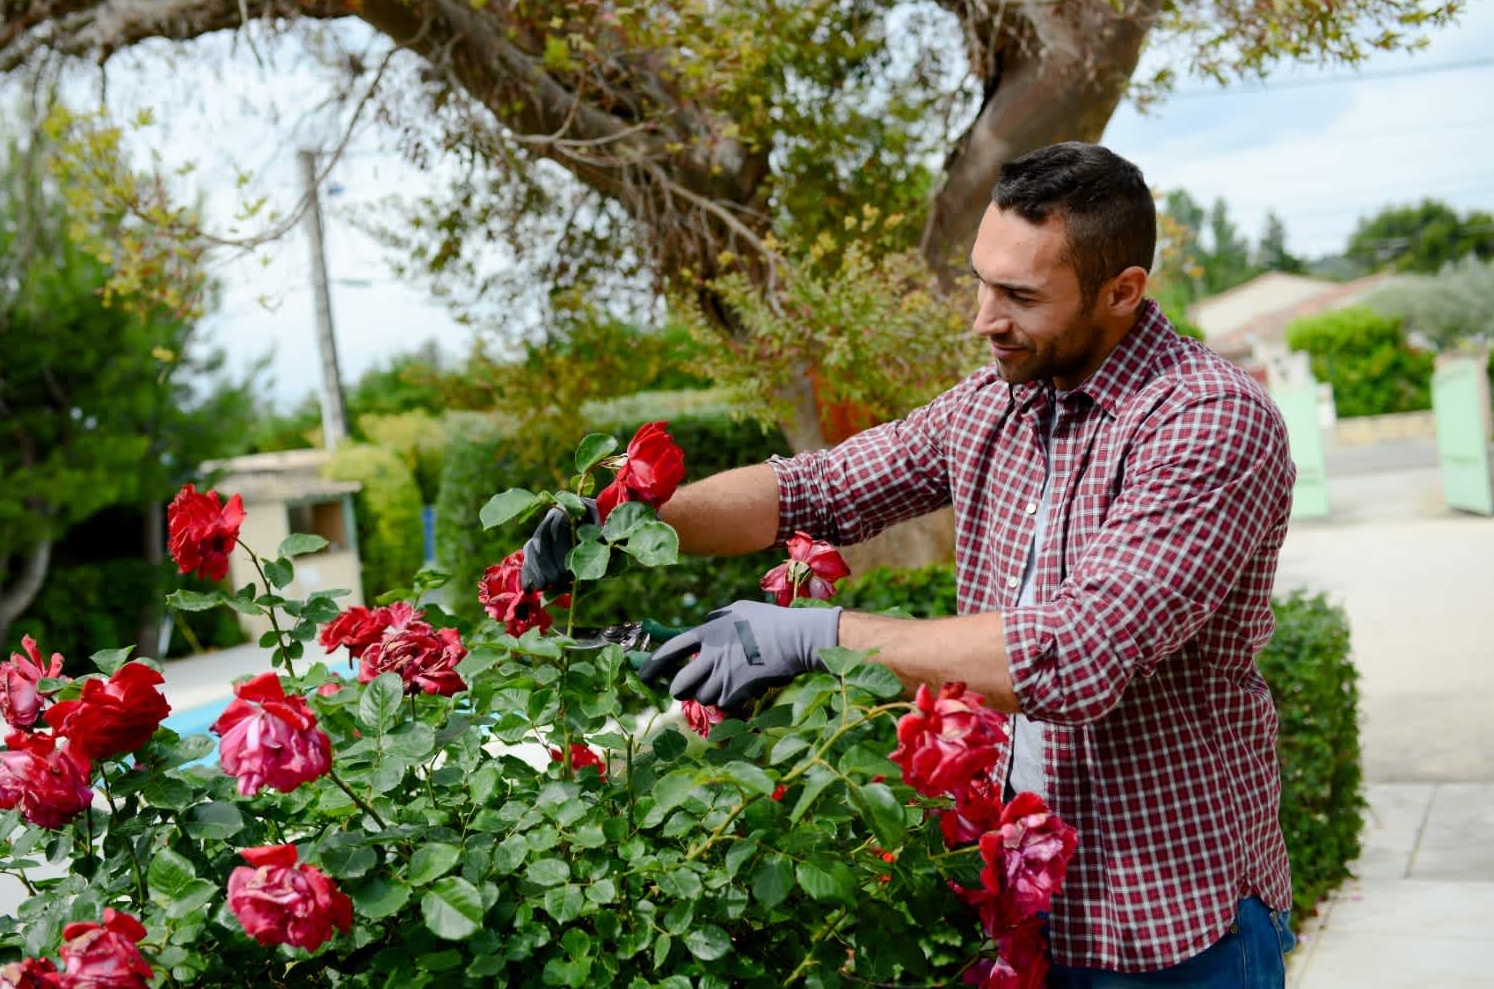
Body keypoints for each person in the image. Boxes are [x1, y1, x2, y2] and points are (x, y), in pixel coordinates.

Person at [521, 142, 1298, 987]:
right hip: (1019, 910)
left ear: (1122, 292)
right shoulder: (1000, 400)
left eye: (1019, 296)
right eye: (981, 281)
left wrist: (815, 636)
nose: (983, 319)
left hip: (1168, 921)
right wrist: (625, 517)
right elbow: (813, 489)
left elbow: (1071, 655)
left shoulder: (1207, 421)